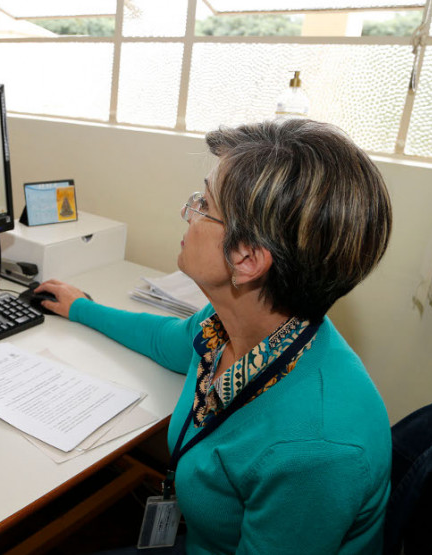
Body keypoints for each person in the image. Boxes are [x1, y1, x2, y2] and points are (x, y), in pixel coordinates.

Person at [36, 118, 393, 554]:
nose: (186, 212)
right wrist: (81, 308)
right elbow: (165, 338)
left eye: (203, 203)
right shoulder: (240, 323)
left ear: (246, 259)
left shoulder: (317, 451)